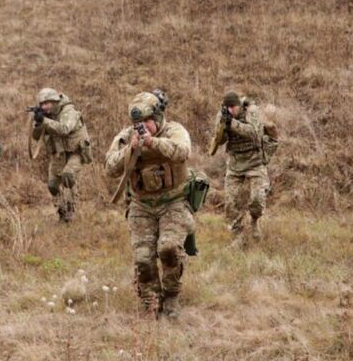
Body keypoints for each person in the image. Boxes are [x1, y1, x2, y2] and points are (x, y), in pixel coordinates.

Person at [104, 91, 193, 318]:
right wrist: (131, 149)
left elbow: (183, 151)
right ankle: (151, 300)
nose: (142, 126)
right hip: (141, 205)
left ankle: (171, 295)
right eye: (138, 123)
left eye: (147, 121)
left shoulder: (173, 130)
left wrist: (153, 143)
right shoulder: (126, 137)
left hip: (173, 202)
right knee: (143, 258)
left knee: (169, 249)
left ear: (158, 118)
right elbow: (110, 168)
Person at [211, 91, 270, 247]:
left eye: (233, 107)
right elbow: (219, 141)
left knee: (257, 199)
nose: (231, 110)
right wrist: (223, 126)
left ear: (239, 105)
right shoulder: (223, 114)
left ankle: (254, 221)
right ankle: (238, 235)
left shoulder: (251, 111)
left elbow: (254, 133)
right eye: (228, 107)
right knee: (230, 203)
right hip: (235, 164)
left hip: (255, 162)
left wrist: (232, 123)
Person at [30, 88, 92, 222]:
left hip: (76, 152)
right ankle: (62, 211)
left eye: (47, 103)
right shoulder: (47, 116)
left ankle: (71, 209)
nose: (44, 107)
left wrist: (44, 120)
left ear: (55, 102)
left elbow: (64, 129)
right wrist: (38, 122)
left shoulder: (69, 111)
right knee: (52, 185)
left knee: (68, 176)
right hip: (58, 154)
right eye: (42, 104)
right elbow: (35, 137)